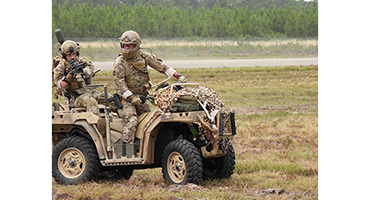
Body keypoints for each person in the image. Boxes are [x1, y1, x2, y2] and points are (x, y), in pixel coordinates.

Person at [113, 30, 188, 154]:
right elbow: (119, 83)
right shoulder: (119, 62)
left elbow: (161, 66)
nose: (127, 49)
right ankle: (124, 152)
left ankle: (146, 148)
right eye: (124, 46)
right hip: (126, 99)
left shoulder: (144, 56)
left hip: (142, 98)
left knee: (151, 120)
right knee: (131, 120)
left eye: (130, 46)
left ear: (137, 45)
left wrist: (177, 75)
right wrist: (131, 97)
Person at [53, 40, 102, 115]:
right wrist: (68, 78)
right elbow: (60, 85)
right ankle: (96, 122)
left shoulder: (82, 61)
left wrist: (83, 71)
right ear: (64, 55)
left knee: (111, 99)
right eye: (69, 55)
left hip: (90, 92)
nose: (72, 57)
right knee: (91, 101)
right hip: (75, 97)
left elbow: (91, 69)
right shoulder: (60, 68)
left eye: (74, 54)